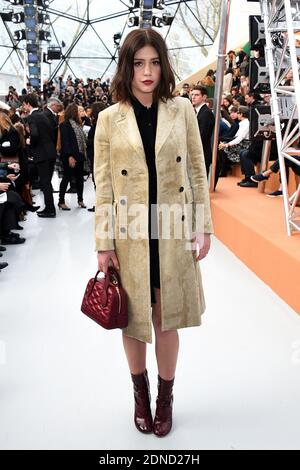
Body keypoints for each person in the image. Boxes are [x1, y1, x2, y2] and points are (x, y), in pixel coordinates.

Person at [94, 29, 213, 437]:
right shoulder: (109, 119)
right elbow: (104, 186)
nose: (148, 72)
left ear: (164, 65)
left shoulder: (181, 110)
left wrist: (203, 227)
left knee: (166, 317)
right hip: (130, 233)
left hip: (172, 226)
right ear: (127, 67)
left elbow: (197, 170)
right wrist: (103, 243)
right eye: (139, 63)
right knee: (133, 319)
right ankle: (139, 393)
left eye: (155, 62)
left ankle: (165, 396)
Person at [23, 94, 57, 218]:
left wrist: (29, 141)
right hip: (51, 152)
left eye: (24, 104)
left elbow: (35, 134)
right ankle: (50, 207)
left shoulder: (32, 117)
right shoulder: (43, 114)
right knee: (47, 182)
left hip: (42, 154)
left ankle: (50, 209)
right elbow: (52, 133)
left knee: (44, 183)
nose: (23, 107)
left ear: (27, 103)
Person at [58, 103, 87, 210]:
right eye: (78, 111)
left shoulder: (78, 124)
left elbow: (82, 140)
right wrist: (70, 156)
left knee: (80, 179)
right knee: (66, 178)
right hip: (69, 156)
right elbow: (65, 142)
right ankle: (61, 201)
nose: (81, 113)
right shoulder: (64, 124)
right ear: (73, 112)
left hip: (79, 155)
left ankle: (80, 200)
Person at [191, 85, 215, 176]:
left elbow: (202, 136)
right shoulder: (198, 111)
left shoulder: (206, 113)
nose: (193, 97)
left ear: (204, 97)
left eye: (196, 95)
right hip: (198, 154)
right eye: (192, 94)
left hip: (202, 154)